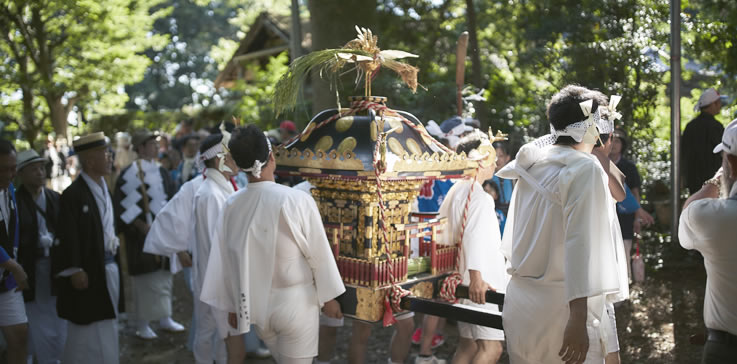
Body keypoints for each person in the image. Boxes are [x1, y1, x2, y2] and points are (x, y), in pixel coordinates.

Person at [497, 85, 627, 364]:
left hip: (522, 306)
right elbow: (580, 243)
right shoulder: (584, 168)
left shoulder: (533, 164)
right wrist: (577, 319)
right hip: (563, 311)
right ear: (594, 127)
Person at [200, 125, 345, 363]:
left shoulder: (231, 204)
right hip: (295, 303)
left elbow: (224, 260)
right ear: (271, 156)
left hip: (256, 304)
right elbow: (318, 252)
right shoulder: (295, 199)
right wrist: (329, 298)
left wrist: (232, 306)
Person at [417, 131, 509, 364]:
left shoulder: (456, 190)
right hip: (479, 283)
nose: (496, 162)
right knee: (492, 348)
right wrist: (477, 278)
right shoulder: (479, 197)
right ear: (479, 160)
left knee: (468, 346)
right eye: (491, 156)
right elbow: (473, 237)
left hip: (462, 278)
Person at [52, 132, 120, 364]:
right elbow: (68, 234)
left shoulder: (104, 188)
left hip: (109, 265)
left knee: (108, 322)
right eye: (105, 154)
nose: (110, 157)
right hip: (89, 268)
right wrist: (75, 268)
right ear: (90, 161)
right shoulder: (73, 194)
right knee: (86, 325)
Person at [113, 130, 183, 339]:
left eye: (155, 143)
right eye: (151, 144)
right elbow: (122, 206)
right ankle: (142, 322)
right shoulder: (128, 174)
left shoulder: (161, 172)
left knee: (163, 276)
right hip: (140, 237)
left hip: (162, 233)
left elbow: (171, 198)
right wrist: (139, 225)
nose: (155, 147)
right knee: (145, 279)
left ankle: (165, 317)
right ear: (141, 148)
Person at [679, 118, 737, 364]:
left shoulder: (709, 216)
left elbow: (686, 221)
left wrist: (714, 182)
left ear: (730, 164)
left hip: (725, 349)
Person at [190, 133, 246, 364]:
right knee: (223, 338)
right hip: (218, 280)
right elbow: (219, 247)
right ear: (220, 159)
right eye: (231, 156)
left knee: (215, 334)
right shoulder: (211, 194)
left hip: (215, 278)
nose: (236, 160)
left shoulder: (217, 189)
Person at [15, 149, 67, 363]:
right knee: (33, 314)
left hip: (54, 266)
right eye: (33, 169)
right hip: (29, 268)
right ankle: (34, 354)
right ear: (21, 174)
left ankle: (55, 355)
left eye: (41, 167)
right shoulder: (14, 202)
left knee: (57, 313)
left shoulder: (55, 198)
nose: (39, 172)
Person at [0, 139, 29, 364]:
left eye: (13, 168)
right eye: (5, 169)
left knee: (19, 336)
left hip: (7, 280)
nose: (11, 174)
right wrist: (12, 264)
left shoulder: (10, 189)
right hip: (10, 268)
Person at [682, 88, 725, 194]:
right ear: (713, 104)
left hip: (693, 182)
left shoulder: (690, 127)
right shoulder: (716, 127)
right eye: (718, 102)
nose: (720, 105)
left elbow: (683, 154)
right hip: (713, 183)